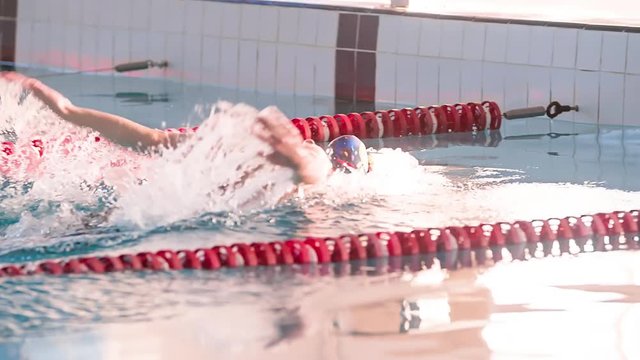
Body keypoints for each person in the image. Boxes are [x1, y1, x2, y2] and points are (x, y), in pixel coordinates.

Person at [1, 72, 335, 185]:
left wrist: (68, 110)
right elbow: (150, 139)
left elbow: (312, 170)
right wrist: (66, 110)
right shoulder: (227, 150)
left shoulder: (310, 163)